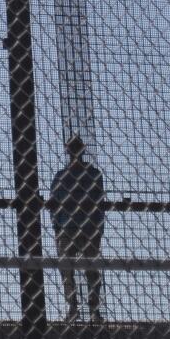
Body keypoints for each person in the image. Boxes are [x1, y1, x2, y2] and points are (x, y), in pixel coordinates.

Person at [47, 135, 107, 321]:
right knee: (70, 269)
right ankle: (77, 307)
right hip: (74, 227)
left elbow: (98, 203)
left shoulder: (87, 175)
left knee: (87, 270)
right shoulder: (83, 175)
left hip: (81, 227)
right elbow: (54, 203)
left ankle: (90, 309)